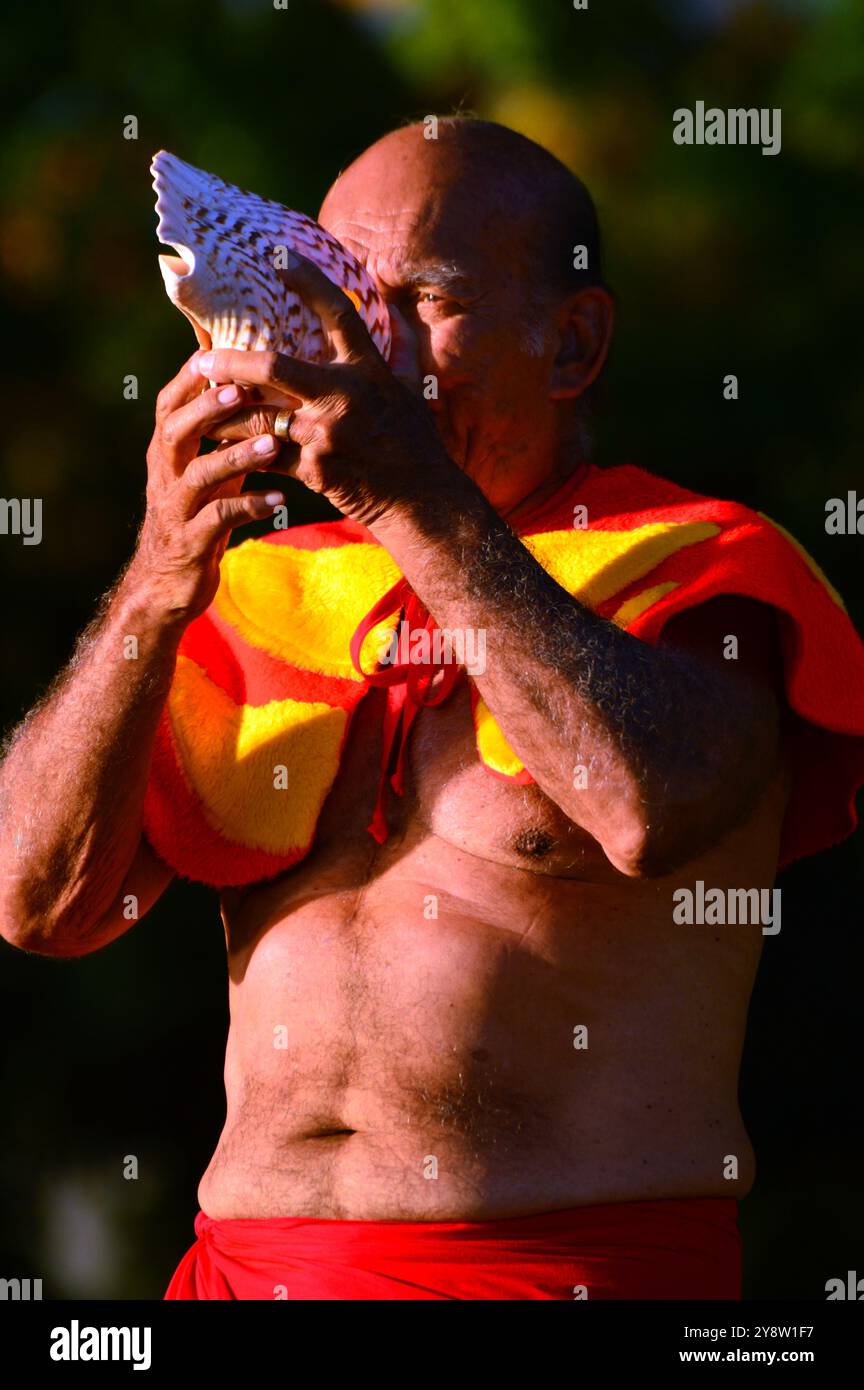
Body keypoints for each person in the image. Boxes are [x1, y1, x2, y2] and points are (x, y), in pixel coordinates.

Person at [2, 118, 863, 1300]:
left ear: (573, 339)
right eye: (348, 292)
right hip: (240, 1267)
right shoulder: (260, 591)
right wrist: (155, 584)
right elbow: (33, 900)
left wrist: (412, 497)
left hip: (554, 1268)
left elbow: (643, 808)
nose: (371, 344)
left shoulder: (703, 565)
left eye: (424, 299)